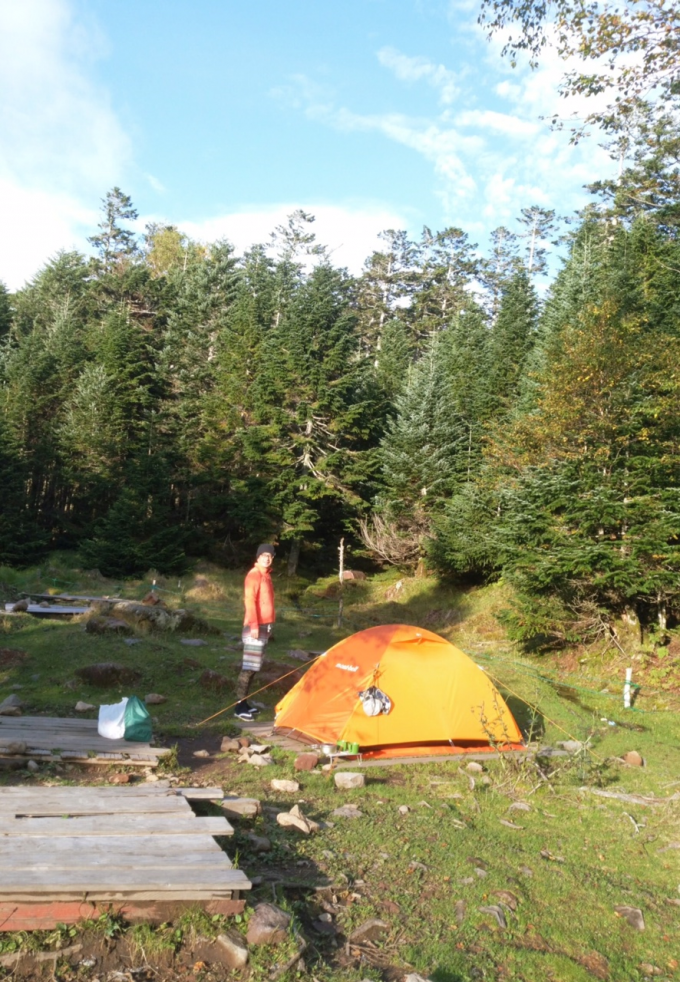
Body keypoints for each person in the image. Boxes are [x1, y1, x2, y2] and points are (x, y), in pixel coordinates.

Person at [235, 543, 276, 721]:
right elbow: (249, 600)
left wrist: (269, 625)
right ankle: (238, 707)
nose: (267, 558)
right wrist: (253, 625)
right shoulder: (254, 575)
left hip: (263, 627)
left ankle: (244, 703)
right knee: (248, 668)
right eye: (264, 555)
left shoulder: (266, 575)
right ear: (258, 557)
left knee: (254, 668)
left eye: (270, 556)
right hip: (255, 627)